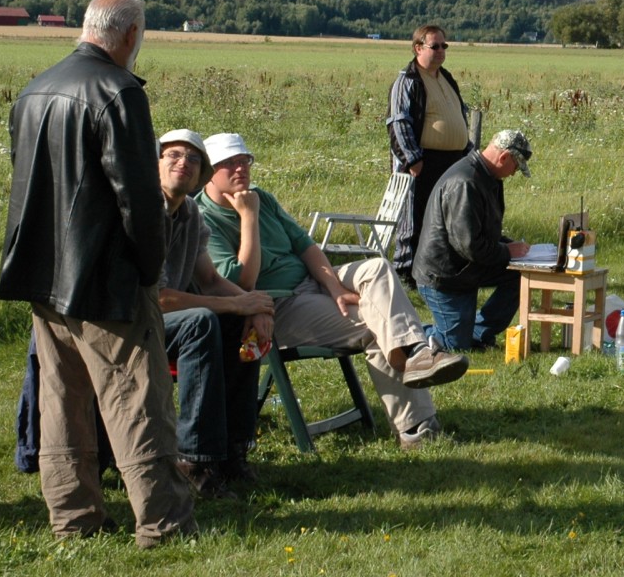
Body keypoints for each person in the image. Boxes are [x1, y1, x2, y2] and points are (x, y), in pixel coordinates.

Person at [0, 0, 196, 547]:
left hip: (44, 274)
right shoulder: (118, 91)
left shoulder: (35, 89)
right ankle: (163, 522)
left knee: (62, 400)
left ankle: (73, 518)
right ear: (131, 34)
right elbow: (139, 198)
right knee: (138, 399)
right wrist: (149, 268)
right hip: (107, 277)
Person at [196, 132, 468, 450]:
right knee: (376, 326)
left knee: (377, 267)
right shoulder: (205, 217)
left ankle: (417, 354)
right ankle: (417, 427)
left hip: (312, 283)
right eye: (229, 163)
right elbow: (244, 282)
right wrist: (248, 217)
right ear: (209, 171)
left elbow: (305, 246)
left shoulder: (262, 198)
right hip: (276, 305)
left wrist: (334, 287)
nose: (241, 168)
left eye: (245, 160)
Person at [155, 129, 275, 497]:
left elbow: (209, 280)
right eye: (174, 155)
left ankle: (233, 451)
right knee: (201, 322)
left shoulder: (189, 213)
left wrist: (253, 306)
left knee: (238, 323)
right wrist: (236, 303)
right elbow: (158, 299)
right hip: (130, 321)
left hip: (167, 318)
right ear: (156, 164)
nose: (184, 164)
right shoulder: (146, 211)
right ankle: (194, 458)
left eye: (194, 159)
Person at [413, 130, 532, 351]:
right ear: (504, 157)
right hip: (445, 275)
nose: (513, 173)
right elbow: (470, 246)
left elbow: (482, 235)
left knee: (520, 275)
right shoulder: (465, 183)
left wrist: (512, 248)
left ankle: (478, 333)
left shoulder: (488, 177)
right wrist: (507, 251)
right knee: (455, 346)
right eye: (515, 167)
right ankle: (402, 333)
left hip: (467, 268)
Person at [386, 24, 471, 283]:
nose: (441, 50)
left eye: (444, 45)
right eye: (435, 46)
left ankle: (441, 269)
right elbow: (399, 122)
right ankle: (407, 273)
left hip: (452, 161)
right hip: (423, 161)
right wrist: (413, 159)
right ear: (418, 48)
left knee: (447, 217)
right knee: (415, 218)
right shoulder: (408, 81)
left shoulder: (446, 77)